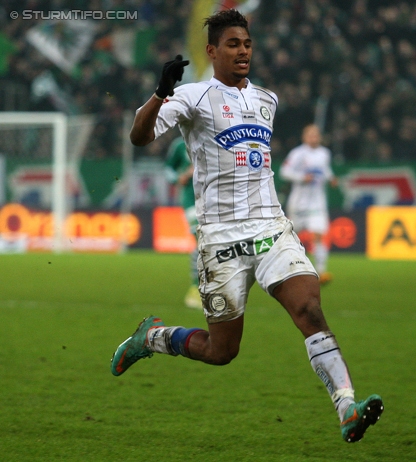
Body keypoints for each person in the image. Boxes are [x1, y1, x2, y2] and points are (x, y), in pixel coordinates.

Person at [110, 9, 383, 443]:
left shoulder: (267, 100)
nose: (243, 51)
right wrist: (161, 93)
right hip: (219, 239)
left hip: (270, 227)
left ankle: (346, 406)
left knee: (309, 309)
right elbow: (139, 137)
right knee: (222, 352)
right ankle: (154, 337)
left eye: (248, 44)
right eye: (233, 44)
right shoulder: (191, 97)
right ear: (212, 51)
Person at [279, 124, 337, 285]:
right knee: (290, 236)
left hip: (318, 203)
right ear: (305, 137)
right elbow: (285, 172)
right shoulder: (298, 153)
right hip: (299, 204)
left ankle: (321, 271)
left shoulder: (325, 153)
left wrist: (331, 178)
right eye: (310, 135)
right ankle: (285, 267)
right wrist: (301, 178)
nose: (314, 137)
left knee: (318, 235)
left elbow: (325, 170)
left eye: (316, 134)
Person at [164, 136, 200, 308]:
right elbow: (168, 169)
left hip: (214, 198)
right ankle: (196, 288)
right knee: (199, 238)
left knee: (212, 243)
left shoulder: (214, 136)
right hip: (191, 198)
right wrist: (179, 178)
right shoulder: (179, 144)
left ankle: (213, 287)